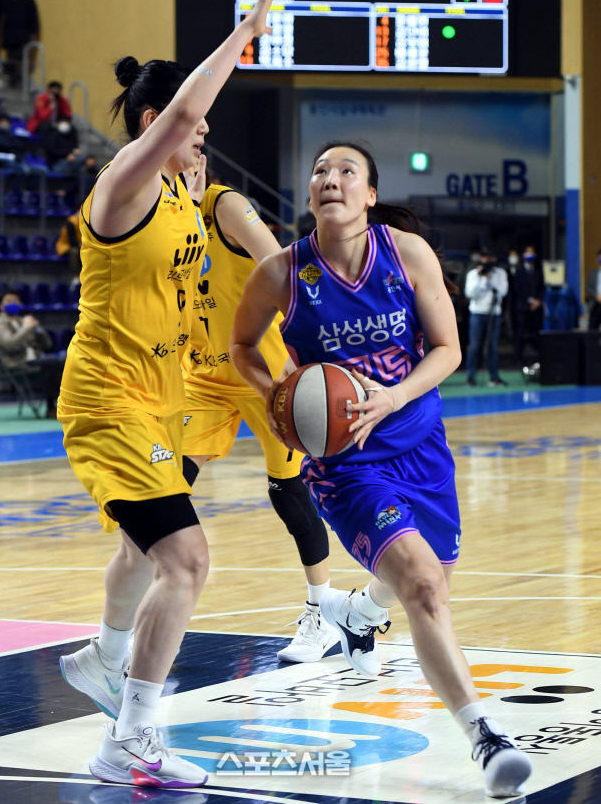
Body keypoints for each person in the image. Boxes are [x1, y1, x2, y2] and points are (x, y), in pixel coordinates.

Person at [230, 141, 532, 799]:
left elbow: (448, 349)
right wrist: (275, 392)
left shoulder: (407, 253)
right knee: (424, 586)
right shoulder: (282, 273)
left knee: (431, 578)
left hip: (420, 443)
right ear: (310, 192)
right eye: (319, 170)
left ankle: (359, 613)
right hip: (345, 464)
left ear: (369, 195)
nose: (329, 178)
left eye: (347, 171)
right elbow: (241, 345)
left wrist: (395, 396)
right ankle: (485, 736)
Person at [55, 0, 283, 789]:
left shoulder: (185, 192)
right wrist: (244, 33)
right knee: (185, 559)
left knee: (143, 547)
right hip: (109, 398)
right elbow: (186, 110)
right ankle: (129, 738)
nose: (202, 138)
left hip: (163, 399)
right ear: (157, 123)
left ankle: (103, 655)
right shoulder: (122, 184)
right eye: (192, 129)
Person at [182, 176, 338, 664]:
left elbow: (283, 270)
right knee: (163, 492)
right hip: (203, 375)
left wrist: (301, 352)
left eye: (201, 143)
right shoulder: (158, 213)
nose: (199, 154)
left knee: (287, 493)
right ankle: (138, 624)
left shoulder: (223, 205)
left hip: (266, 374)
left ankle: (322, 614)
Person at [0, 290, 64, 417]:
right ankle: (51, 407)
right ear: (1, 306)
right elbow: (10, 345)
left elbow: (48, 345)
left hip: (36, 360)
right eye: (8, 301)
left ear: (20, 304)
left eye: (15, 301)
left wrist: (38, 329)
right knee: (53, 364)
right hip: (17, 363)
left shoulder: (24, 320)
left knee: (60, 364)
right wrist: (26, 328)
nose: (12, 303)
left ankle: (59, 405)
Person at [464, 248, 508, 386]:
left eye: (490, 257)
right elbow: (470, 294)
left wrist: (491, 279)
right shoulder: (473, 274)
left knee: (492, 346)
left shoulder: (500, 273)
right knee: (475, 346)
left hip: (494, 313)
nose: (487, 260)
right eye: (484, 257)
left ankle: (494, 376)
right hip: (477, 313)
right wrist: (481, 278)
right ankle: (470, 376)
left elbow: (503, 292)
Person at [0, 0, 39, 87]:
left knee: (19, 56)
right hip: (10, 36)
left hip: (23, 34)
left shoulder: (28, 0)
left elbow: (33, 16)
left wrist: (34, 32)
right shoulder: (7, 2)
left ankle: (13, 74)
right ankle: (12, 80)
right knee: (11, 58)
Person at [513, 245, 545, 367]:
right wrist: (530, 300)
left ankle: (539, 359)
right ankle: (518, 359)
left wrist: (538, 301)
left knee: (537, 334)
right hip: (523, 308)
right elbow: (518, 289)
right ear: (523, 255)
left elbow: (542, 288)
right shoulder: (519, 271)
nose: (530, 256)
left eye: (532, 253)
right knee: (520, 334)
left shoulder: (538, 271)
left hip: (537, 308)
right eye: (528, 253)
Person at [55, 212, 82, 284]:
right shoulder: (71, 222)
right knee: (74, 252)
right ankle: (75, 276)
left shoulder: (85, 222)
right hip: (65, 246)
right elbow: (71, 240)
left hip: (78, 245)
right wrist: (80, 244)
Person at [586, 247, 601, 330]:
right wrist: (597, 296)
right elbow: (588, 287)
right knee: (592, 330)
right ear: (598, 259)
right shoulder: (592, 273)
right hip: (595, 304)